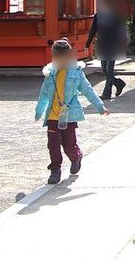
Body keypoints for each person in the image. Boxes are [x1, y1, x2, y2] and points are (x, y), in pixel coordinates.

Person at [34, 38, 110, 184]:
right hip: (53, 115)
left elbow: (87, 90)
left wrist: (100, 107)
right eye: (56, 57)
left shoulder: (76, 73)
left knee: (69, 144)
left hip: (69, 114)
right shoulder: (49, 73)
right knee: (53, 144)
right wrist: (39, 111)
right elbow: (44, 94)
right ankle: (55, 169)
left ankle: (76, 156)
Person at [86, 0, 128, 100]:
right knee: (104, 70)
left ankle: (106, 93)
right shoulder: (98, 16)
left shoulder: (117, 15)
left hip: (113, 44)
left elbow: (122, 29)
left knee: (109, 70)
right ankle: (119, 83)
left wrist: (123, 40)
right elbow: (93, 30)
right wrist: (88, 43)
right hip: (102, 44)